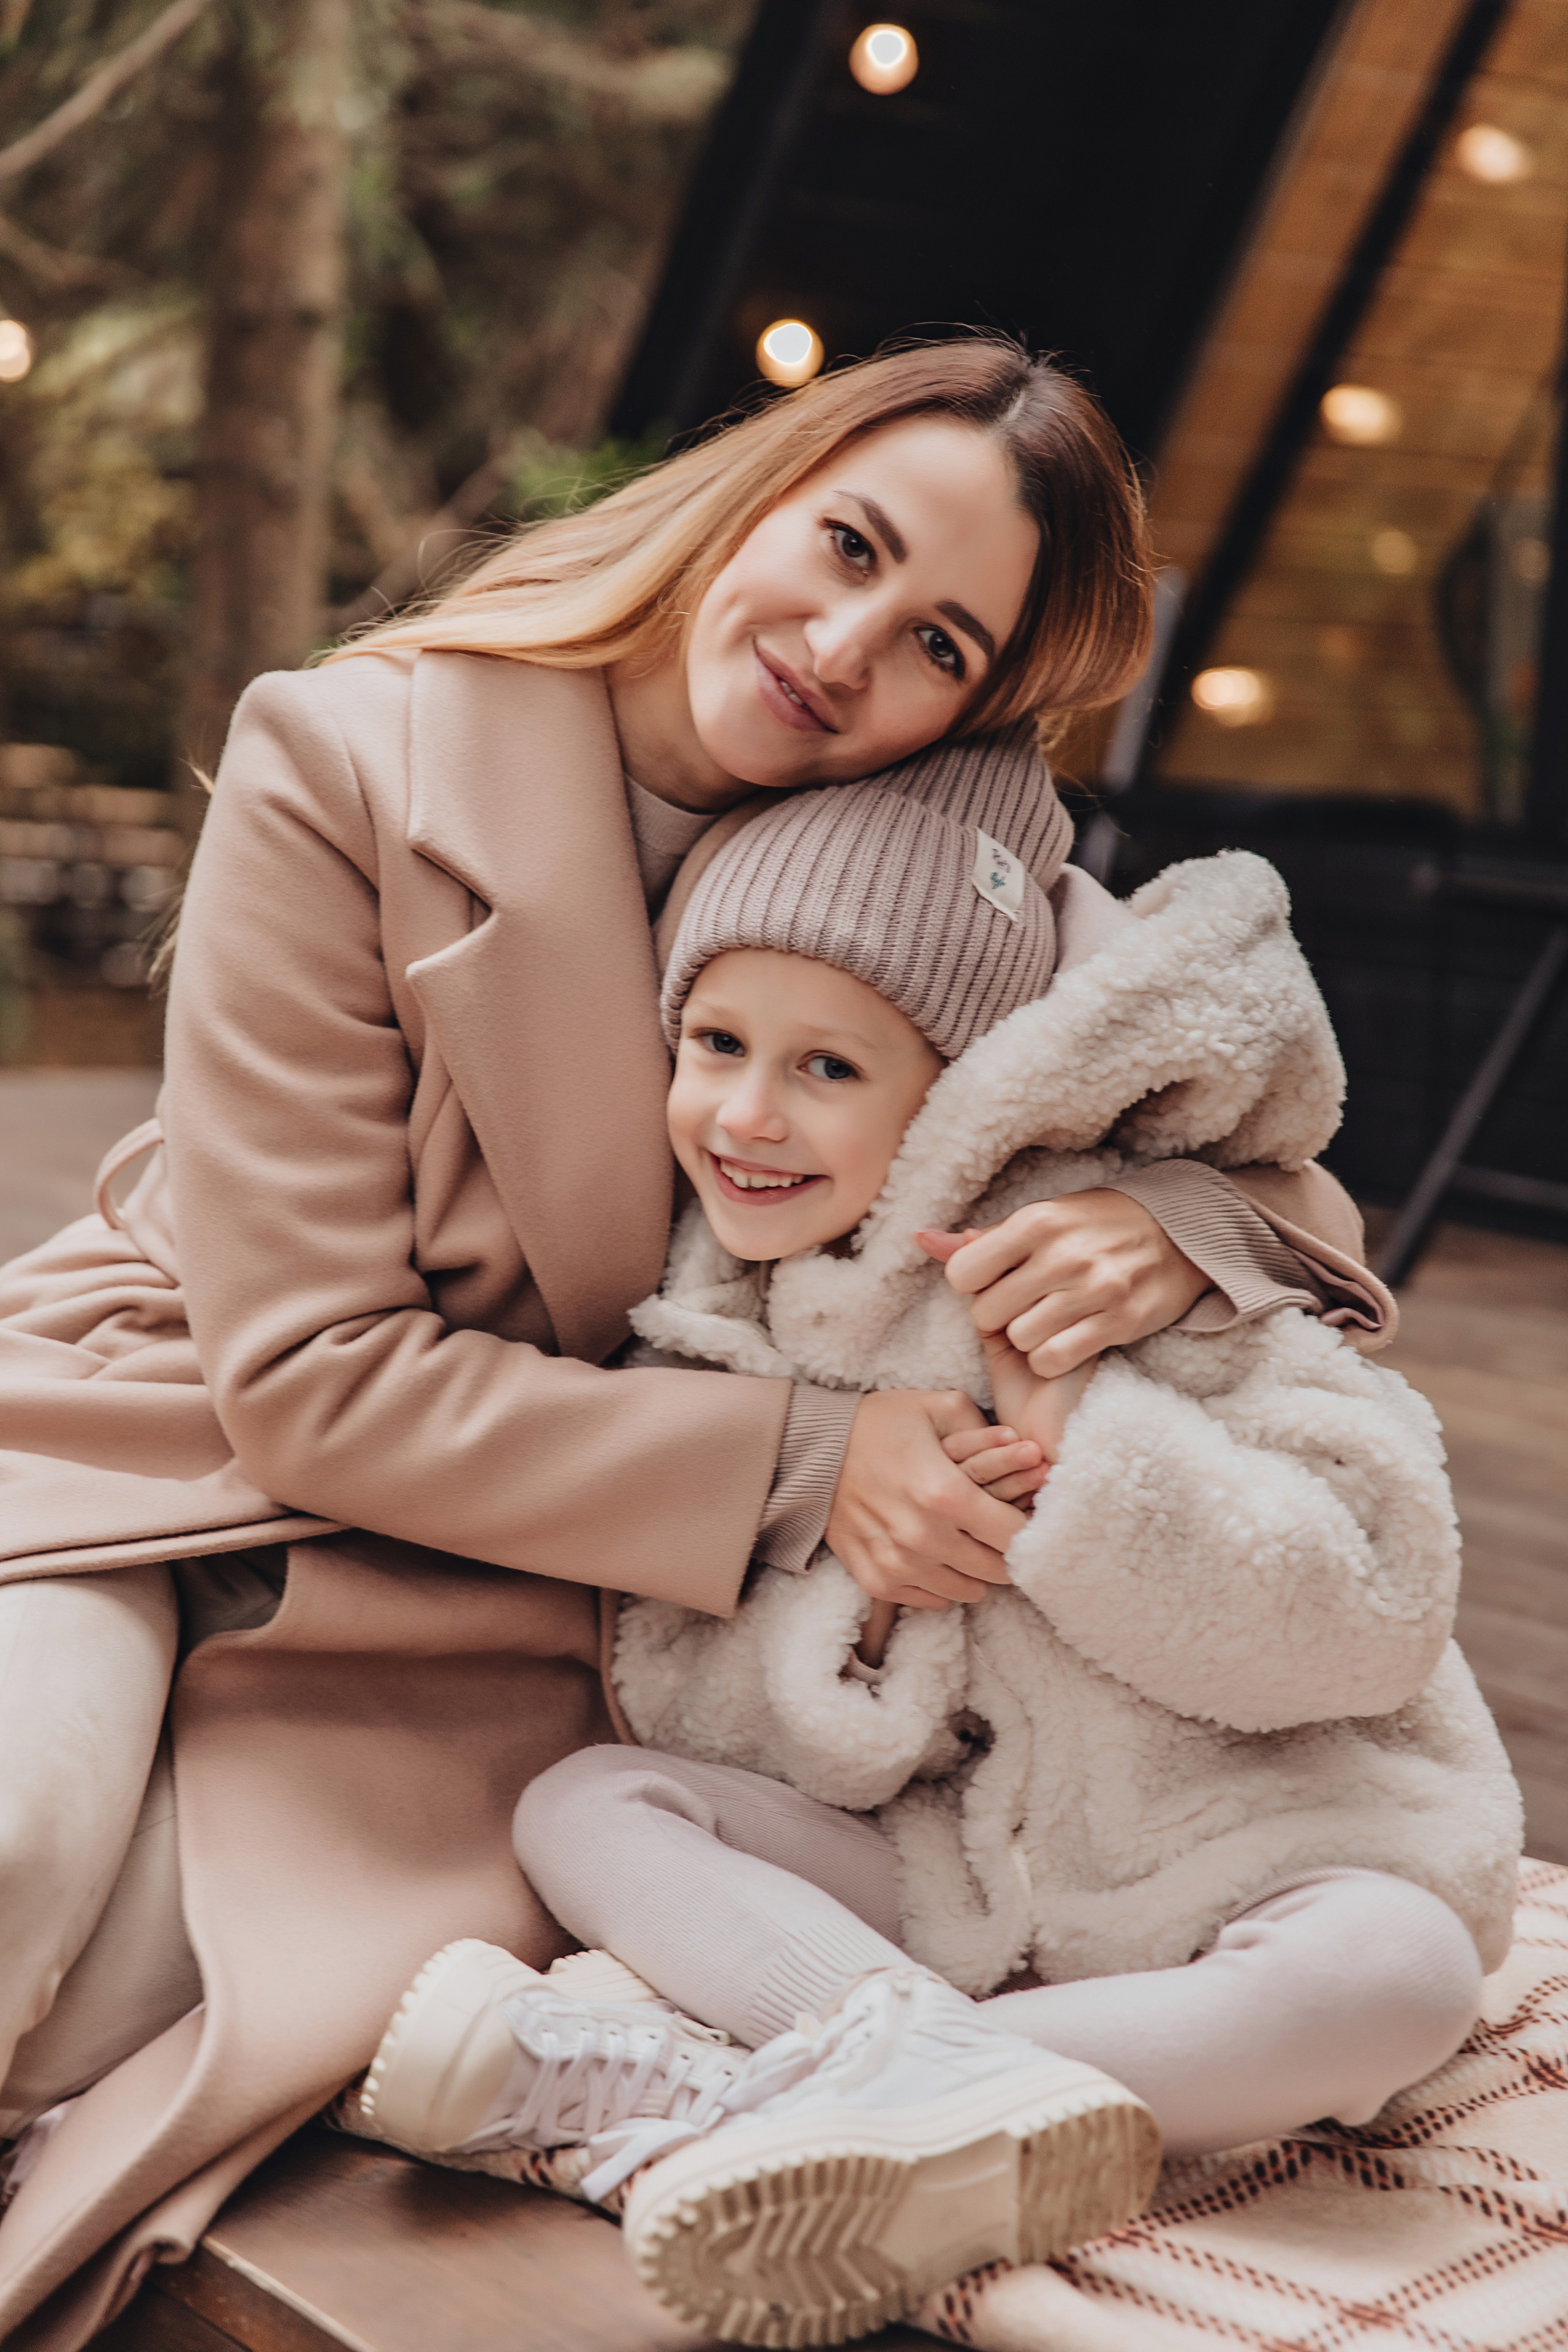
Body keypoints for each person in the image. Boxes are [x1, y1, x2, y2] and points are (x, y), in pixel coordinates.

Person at [0, 339, 1400, 2347]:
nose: (842, 646)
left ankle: (891, 2103)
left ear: (972, 709)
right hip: (182, 1430)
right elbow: (306, 1376)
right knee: (12, 1862)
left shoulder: (917, 853)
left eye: (934, 641)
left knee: (150, 2017)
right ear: (757, 487)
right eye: (844, 542)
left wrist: (1164, 1229)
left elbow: (1276, 1164)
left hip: (505, 1584)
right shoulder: (354, 758)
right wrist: (820, 1461)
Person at [354, 751, 1522, 2347]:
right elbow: (702, 1698)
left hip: (1261, 1857)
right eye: (713, 1046)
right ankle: (888, 2074)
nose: (748, 1115)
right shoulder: (719, 1329)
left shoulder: (1137, 1272)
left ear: (960, 1093)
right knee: (597, 1798)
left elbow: (1373, 1611)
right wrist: (862, 1608)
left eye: (830, 1068)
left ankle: (735, 2094)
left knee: (1399, 1976)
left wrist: (1080, 1439)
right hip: (966, 1891)